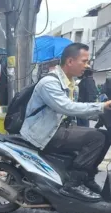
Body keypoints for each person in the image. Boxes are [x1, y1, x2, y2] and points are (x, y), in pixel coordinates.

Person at [20, 43, 111, 202]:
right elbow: (66, 107)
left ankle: (87, 177)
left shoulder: (69, 83)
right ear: (70, 61)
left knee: (103, 136)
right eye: (84, 61)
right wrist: (101, 106)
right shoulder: (50, 83)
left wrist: (99, 115)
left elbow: (75, 109)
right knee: (98, 138)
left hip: (56, 128)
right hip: (44, 134)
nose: (87, 65)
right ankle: (74, 184)